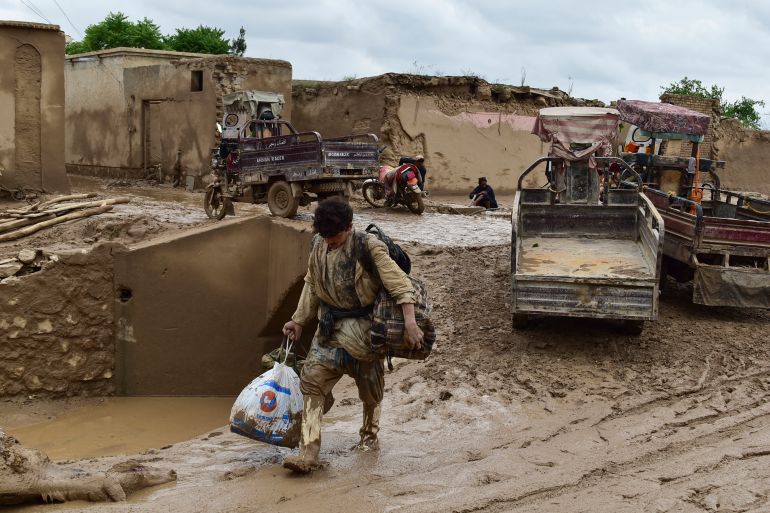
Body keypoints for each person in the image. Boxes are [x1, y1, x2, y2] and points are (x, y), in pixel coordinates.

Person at [282, 197, 424, 473]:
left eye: (334, 237)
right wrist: (298, 320)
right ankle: (308, 453)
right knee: (311, 381)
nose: (330, 242)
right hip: (328, 332)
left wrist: (410, 323)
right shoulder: (318, 245)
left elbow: (400, 285)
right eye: (325, 237)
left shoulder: (368, 247)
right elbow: (312, 284)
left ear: (349, 227)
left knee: (370, 392)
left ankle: (369, 437)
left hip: (365, 335)